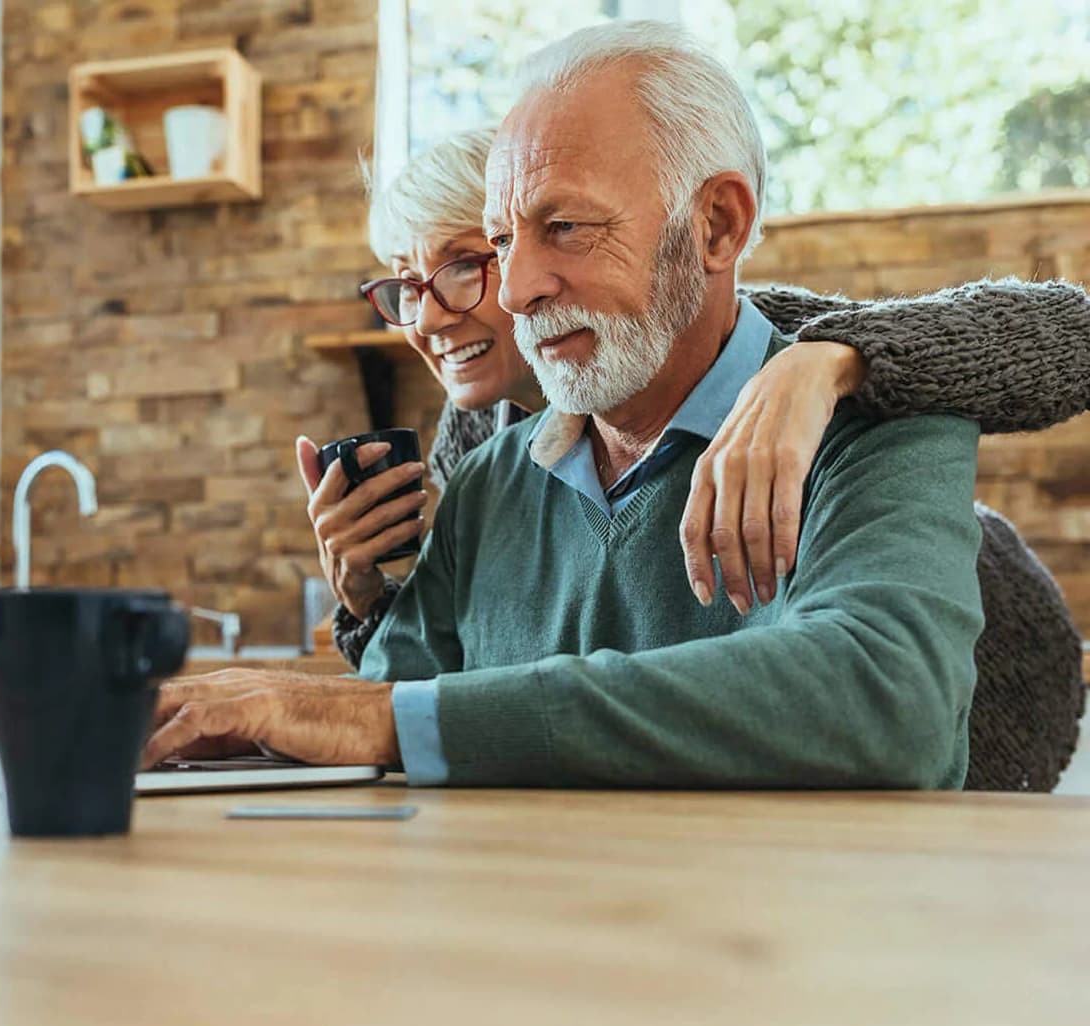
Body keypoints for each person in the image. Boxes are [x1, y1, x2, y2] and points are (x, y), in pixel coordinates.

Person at [142, 21, 1084, 792]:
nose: (511, 291)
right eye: (505, 240)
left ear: (718, 225)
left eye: (565, 228)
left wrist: (389, 716)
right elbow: (392, 701)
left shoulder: (878, 403)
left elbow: (891, 707)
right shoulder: (482, 468)